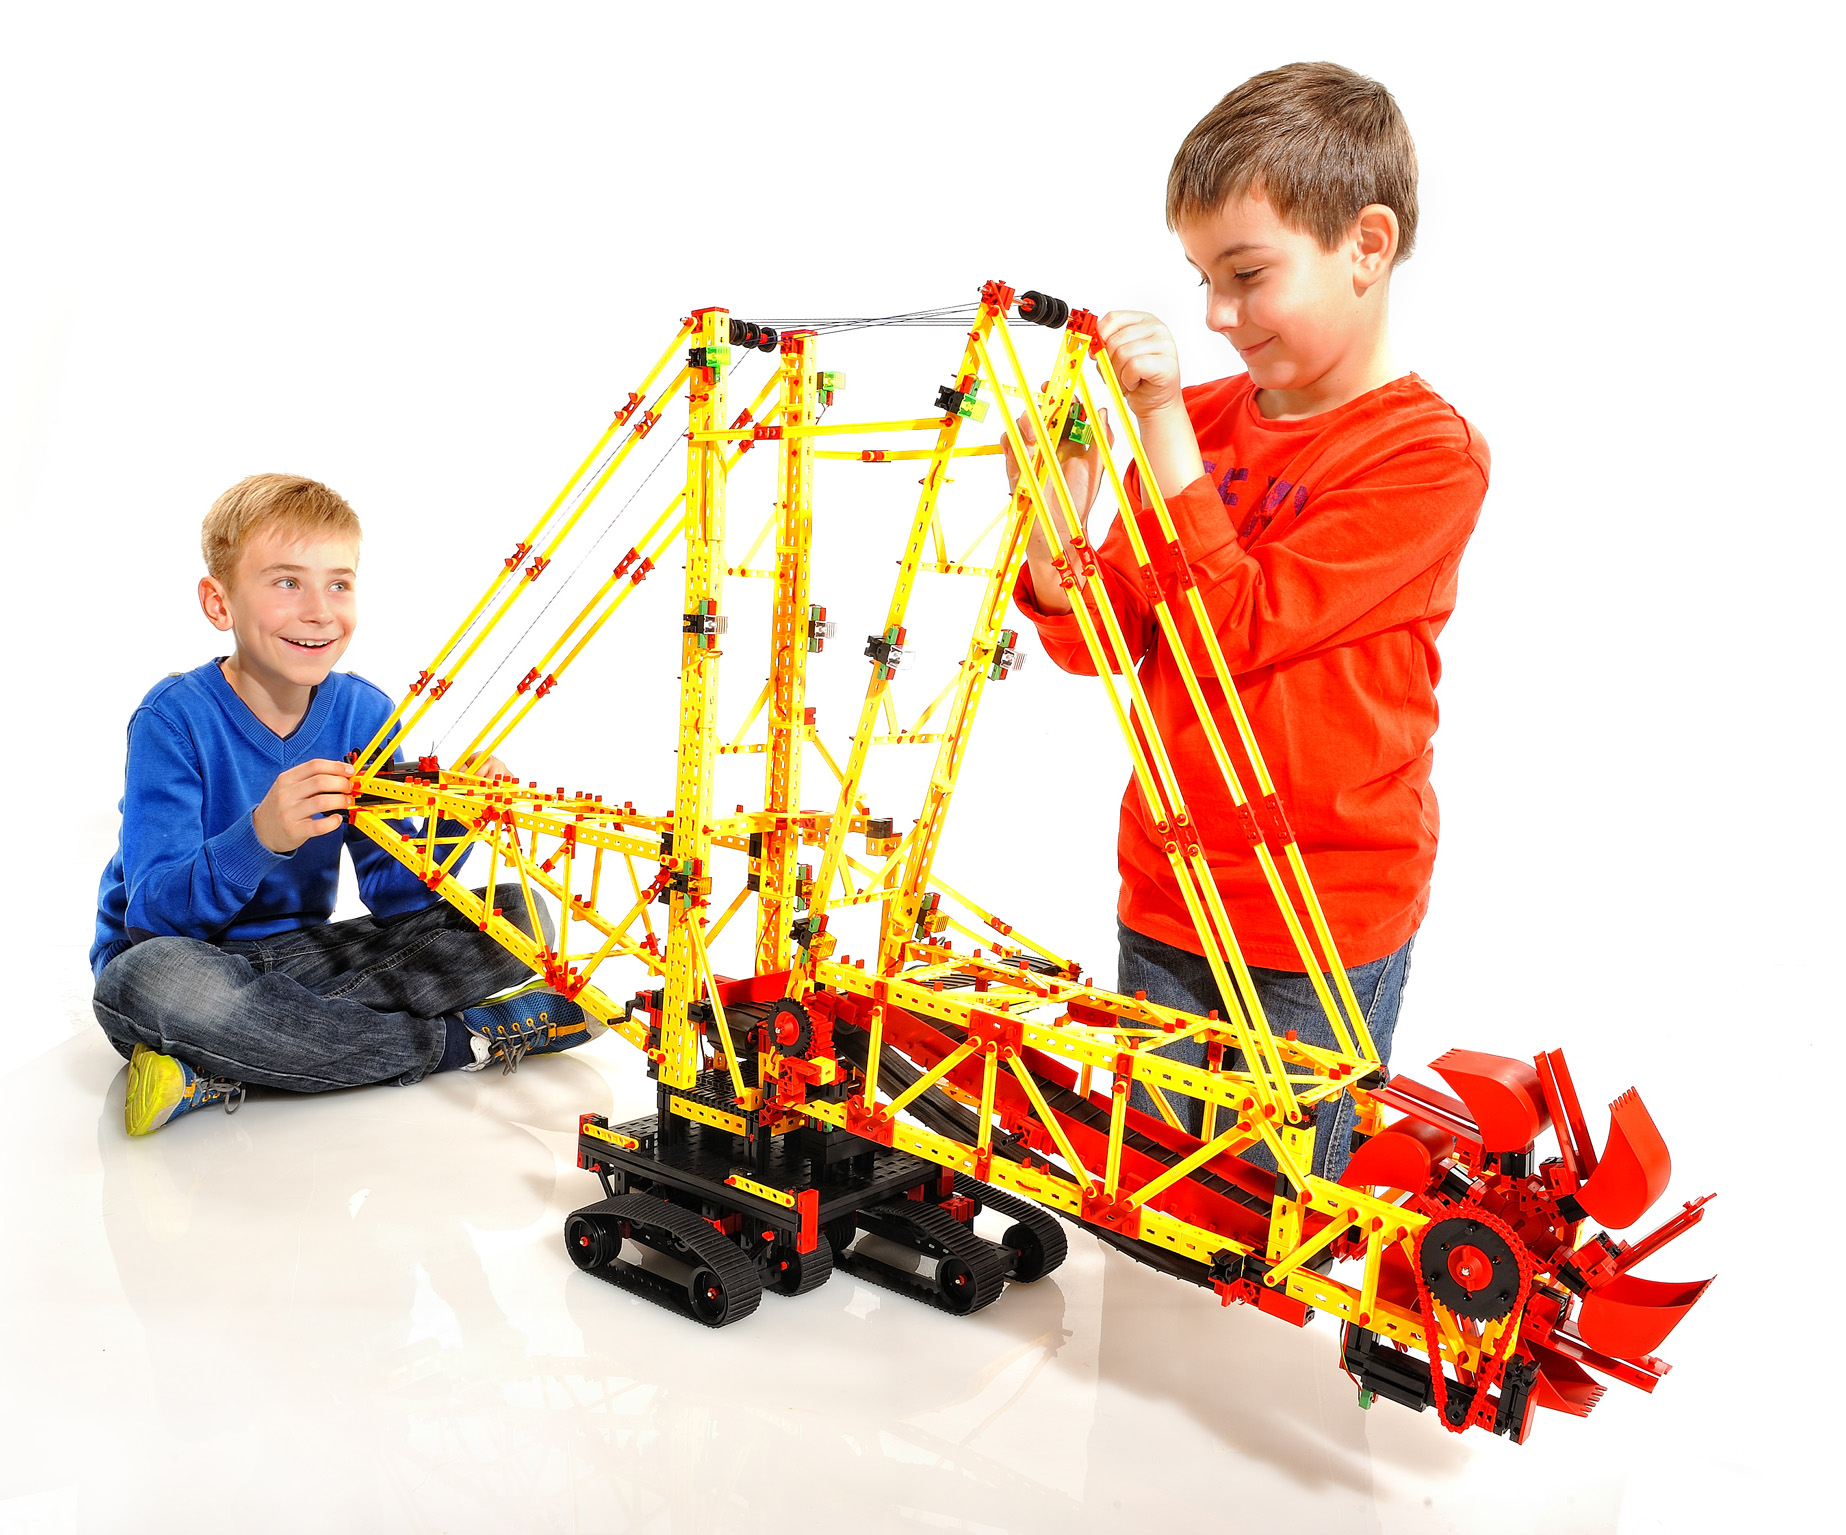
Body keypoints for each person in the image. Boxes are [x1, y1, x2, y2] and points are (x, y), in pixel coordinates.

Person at [1011, 62, 1490, 1179]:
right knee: (1151, 1193)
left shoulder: (1426, 457)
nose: (1216, 316)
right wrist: (1056, 511)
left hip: (1318, 919)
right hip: (1171, 886)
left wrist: (1161, 425)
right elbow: (1106, 639)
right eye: (1201, 278)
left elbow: (1234, 633)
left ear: (1365, 245)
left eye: (1246, 274)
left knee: (1276, 1215)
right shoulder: (1202, 423)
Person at [90, 473, 600, 1136]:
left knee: (520, 917)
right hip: (183, 962)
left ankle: (227, 1064)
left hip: (305, 961)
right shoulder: (172, 719)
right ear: (219, 603)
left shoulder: (364, 712)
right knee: (155, 983)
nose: (319, 611)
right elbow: (152, 917)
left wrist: (455, 822)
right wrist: (261, 835)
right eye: (286, 582)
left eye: (339, 584)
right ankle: (466, 1039)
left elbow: (396, 896)